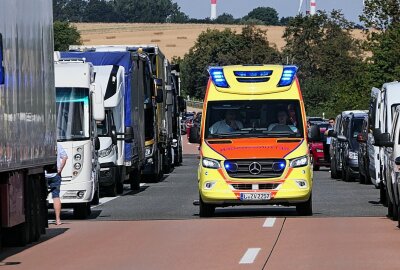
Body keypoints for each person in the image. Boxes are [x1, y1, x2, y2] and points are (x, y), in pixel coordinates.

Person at [45, 143, 68, 225]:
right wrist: (60, 169)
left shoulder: (40, 144)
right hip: (55, 174)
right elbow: (65, 157)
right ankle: (58, 220)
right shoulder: (57, 145)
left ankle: (44, 219)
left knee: (41, 196)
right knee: (56, 196)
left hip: (43, 174)